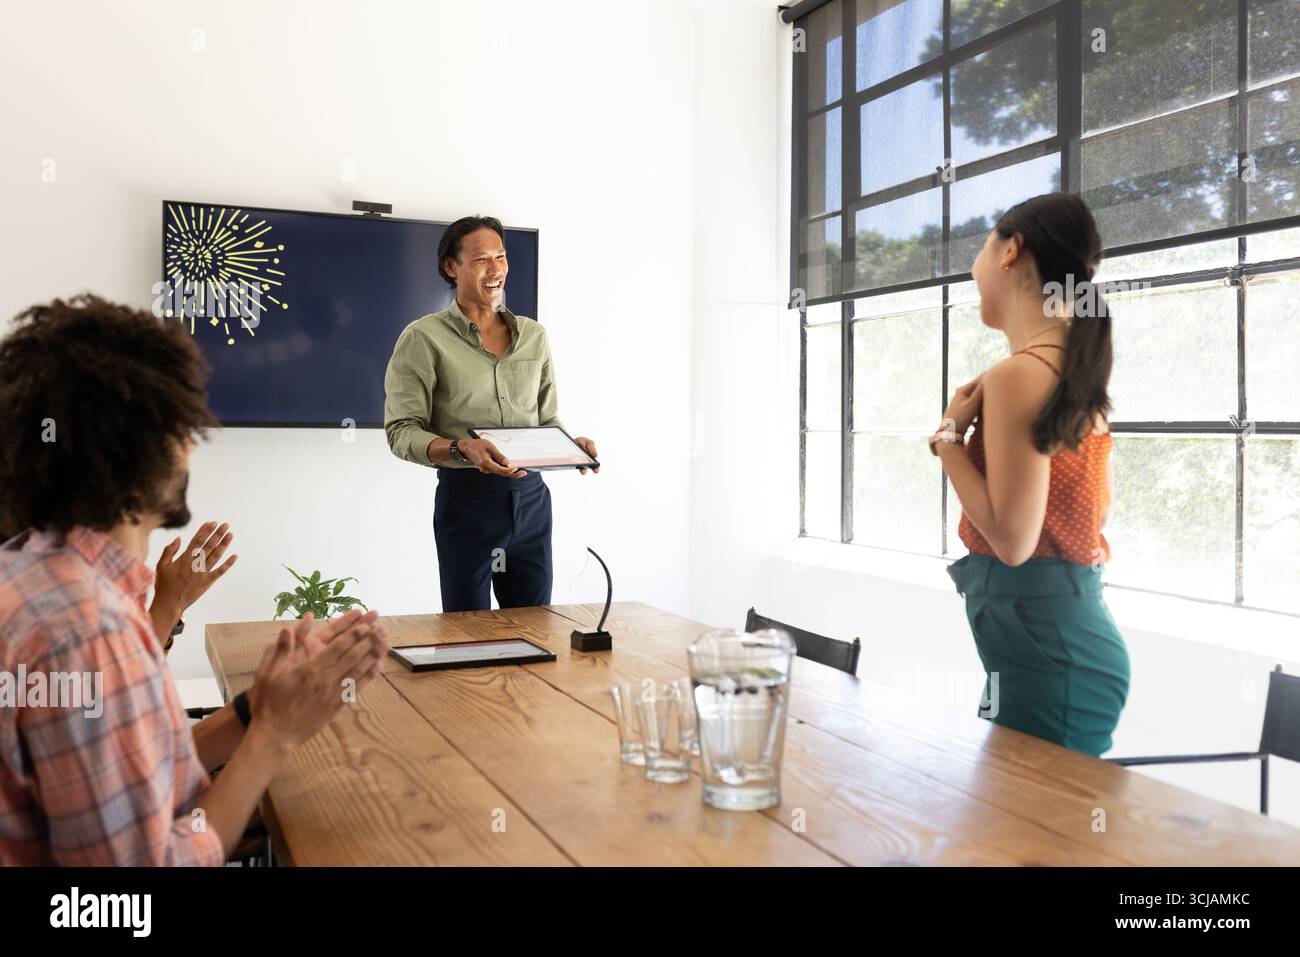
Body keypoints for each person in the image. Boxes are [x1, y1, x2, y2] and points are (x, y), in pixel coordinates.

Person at [0, 294, 389, 865]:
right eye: (183, 428)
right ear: (143, 450)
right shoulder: (90, 631)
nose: (190, 447)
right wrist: (273, 737)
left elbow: (136, 764)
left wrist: (253, 710)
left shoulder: (30, 566)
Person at [932, 192, 1129, 757]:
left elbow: (1014, 543)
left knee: (1021, 837)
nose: (975, 270)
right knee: (1007, 828)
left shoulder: (1020, 374)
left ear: (1011, 250)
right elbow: (1100, 510)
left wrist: (947, 440)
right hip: (1048, 650)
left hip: (1049, 661)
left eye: (982, 247)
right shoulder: (1069, 367)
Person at [383, 215, 598, 612]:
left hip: (532, 501)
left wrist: (572, 446)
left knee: (536, 632)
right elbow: (401, 431)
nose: (495, 269)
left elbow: (546, 420)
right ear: (452, 267)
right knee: (468, 638)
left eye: (501, 257)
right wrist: (462, 448)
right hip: (468, 505)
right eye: (481, 259)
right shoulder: (423, 338)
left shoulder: (534, 335)